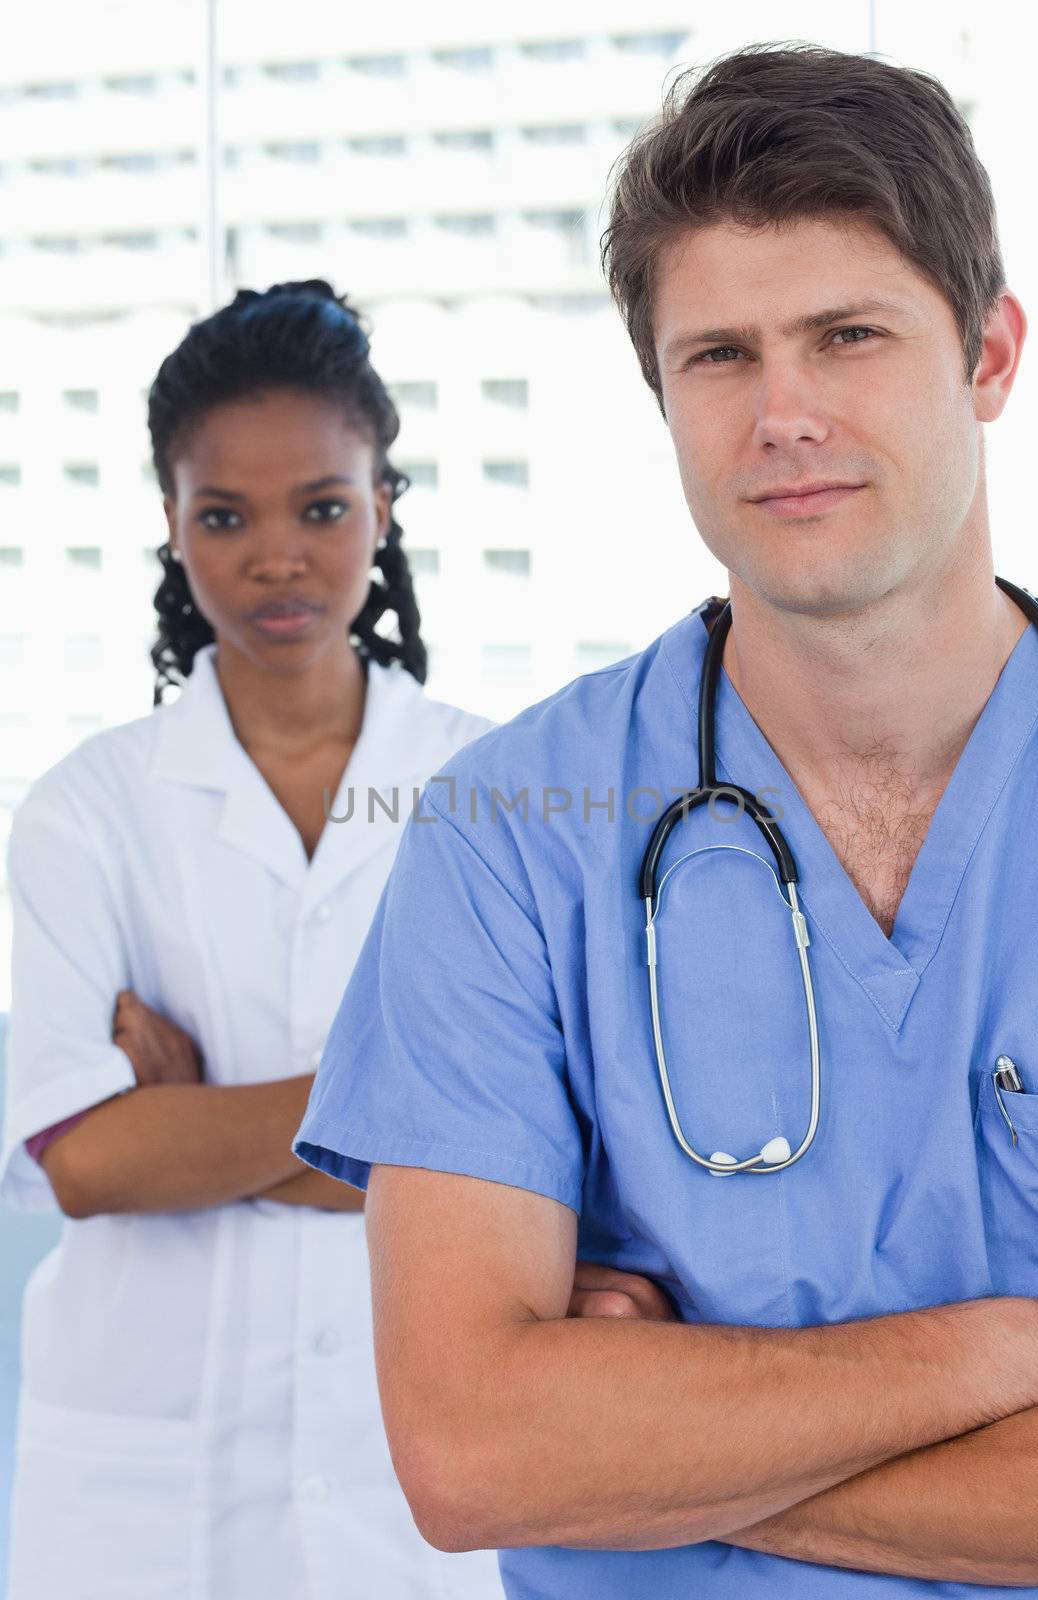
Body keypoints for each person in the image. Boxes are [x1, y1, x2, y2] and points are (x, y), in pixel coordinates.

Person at [293, 42, 1038, 1600]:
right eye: (719, 355)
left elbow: (543, 1458)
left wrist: (659, 1458)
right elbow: (470, 1454)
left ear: (991, 355)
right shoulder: (510, 834)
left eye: (847, 335)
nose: (782, 413)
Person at [0, 280, 519, 1598]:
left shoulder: (496, 790)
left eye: (323, 508)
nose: (276, 557)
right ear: (171, 526)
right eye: (223, 516)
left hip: (415, 1464)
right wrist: (398, 1127)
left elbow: (527, 1160)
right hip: (142, 1485)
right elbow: (87, 1161)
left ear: (384, 508)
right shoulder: (84, 812)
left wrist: (191, 1126)